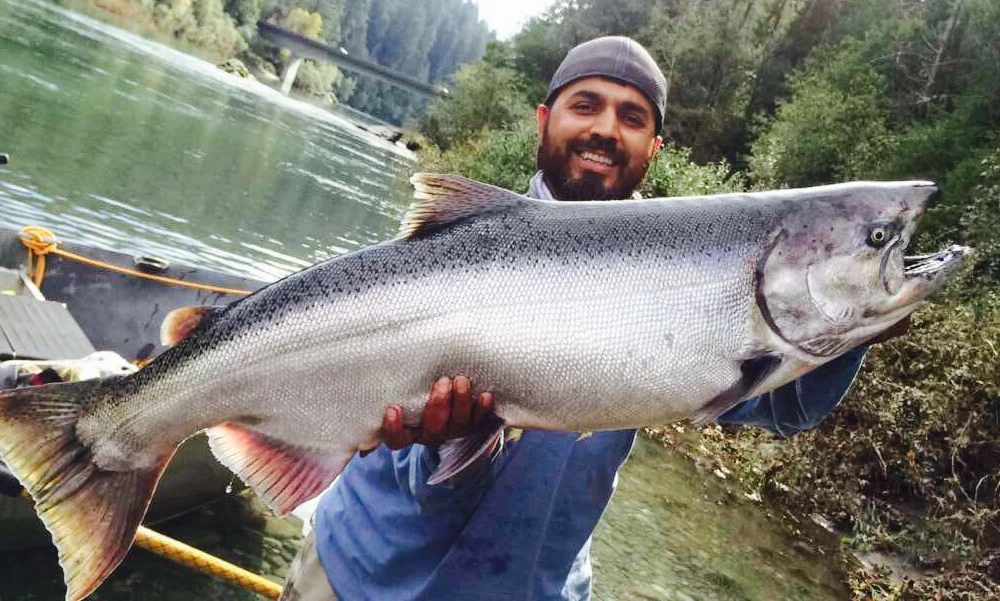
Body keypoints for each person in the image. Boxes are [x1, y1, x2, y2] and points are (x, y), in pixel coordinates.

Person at [279, 36, 907, 601]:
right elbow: (408, 462)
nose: (606, 128)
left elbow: (783, 406)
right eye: (586, 105)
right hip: (360, 577)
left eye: (632, 118)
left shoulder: (695, 274)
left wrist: (855, 320)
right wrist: (448, 438)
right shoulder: (455, 251)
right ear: (544, 121)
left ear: (653, 148)